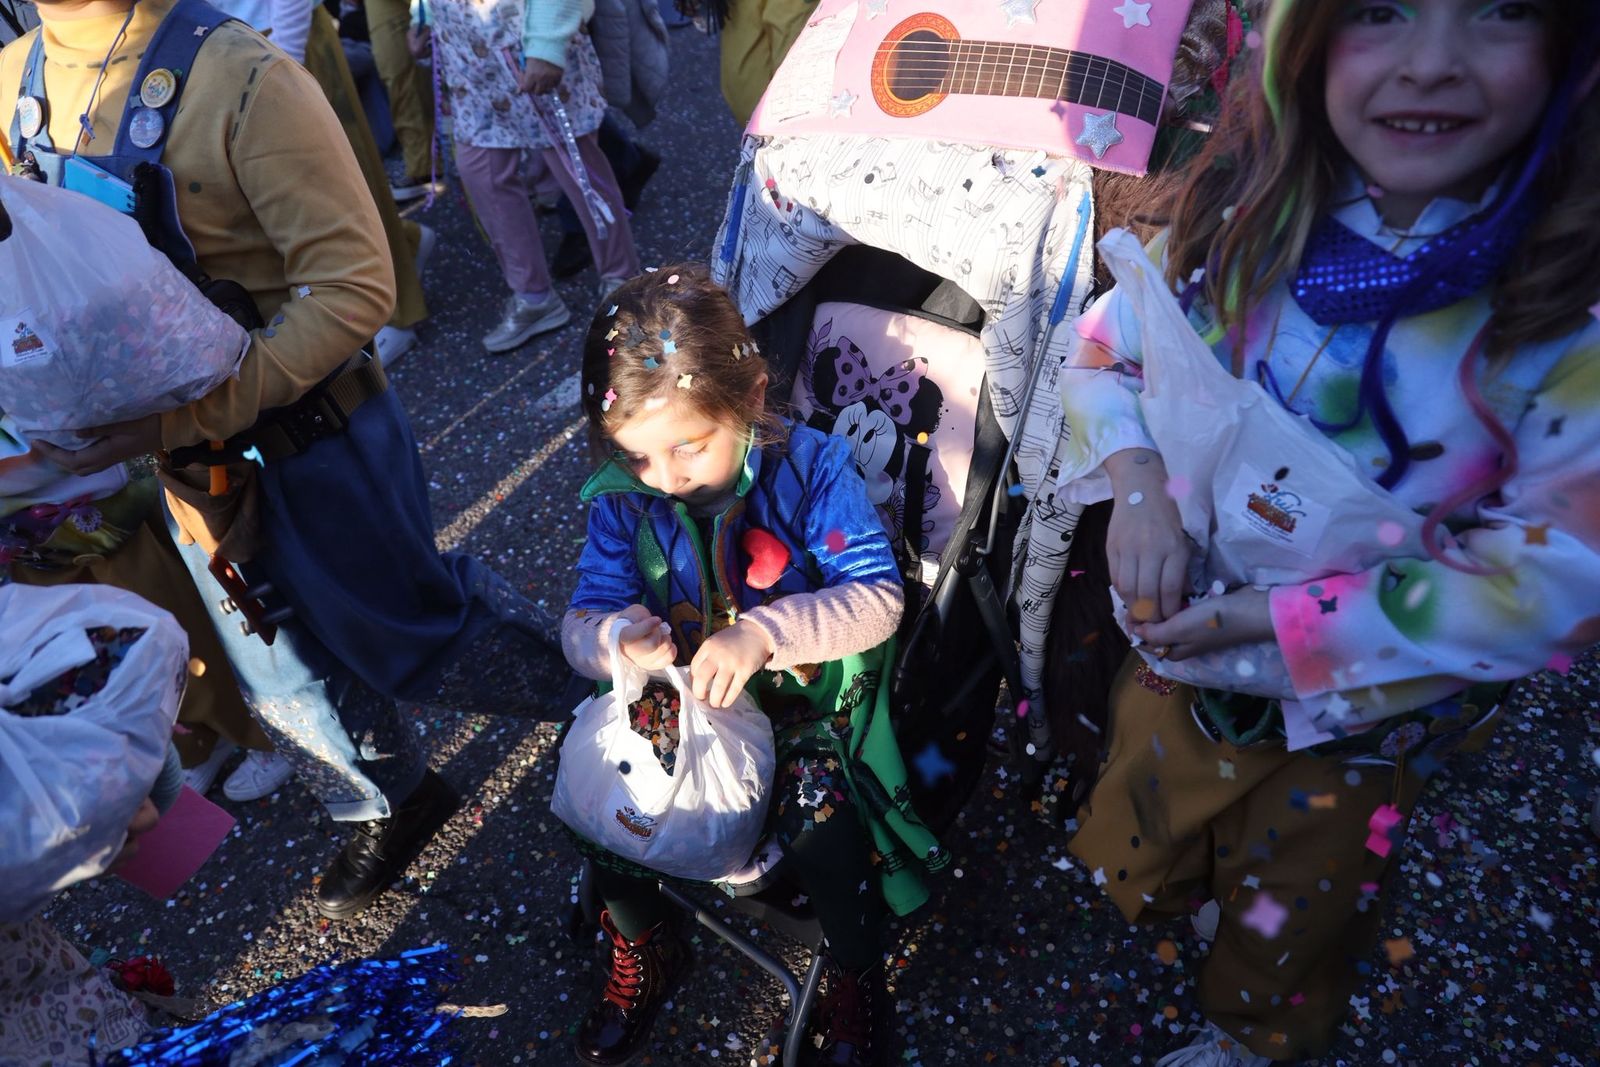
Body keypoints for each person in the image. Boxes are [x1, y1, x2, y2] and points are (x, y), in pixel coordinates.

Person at [1055, 1, 1600, 1063]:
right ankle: (1193, 895)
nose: (1430, 63)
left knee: (1294, 907)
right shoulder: (1239, 218)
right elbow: (1104, 349)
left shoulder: (1562, 326)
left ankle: (1247, 1033)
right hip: (1180, 664)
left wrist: (1281, 617)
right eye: (1380, 11)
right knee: (1160, 813)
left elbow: (1557, 578)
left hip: (1355, 727)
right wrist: (1136, 487)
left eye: (1500, 10)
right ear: (1304, 41)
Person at [5, 0, 559, 923]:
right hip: (181, 468)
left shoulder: (243, 77)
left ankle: (627, 696)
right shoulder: (15, 77)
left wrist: (186, 413)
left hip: (313, 438)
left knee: (414, 629)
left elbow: (353, 287)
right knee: (280, 665)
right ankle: (387, 798)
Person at [560, 265, 943, 1067]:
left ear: (754, 397)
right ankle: (646, 938)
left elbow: (877, 598)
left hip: (802, 713)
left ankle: (854, 966)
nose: (665, 478)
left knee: (825, 823)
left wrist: (766, 632)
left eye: (689, 447)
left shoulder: (813, 472)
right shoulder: (625, 498)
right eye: (637, 456)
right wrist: (612, 640)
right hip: (680, 704)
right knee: (594, 795)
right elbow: (582, 618)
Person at [208, 0, 434, 368]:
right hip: (239, 46)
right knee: (294, 194)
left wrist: (285, 60)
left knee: (343, 183)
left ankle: (397, 313)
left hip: (279, 40)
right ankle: (404, 248)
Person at [410, 0, 640, 353]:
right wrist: (421, 15)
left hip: (530, 44)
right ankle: (534, 297)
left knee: (578, 169)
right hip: (469, 58)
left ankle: (624, 281)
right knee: (482, 175)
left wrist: (548, 44)